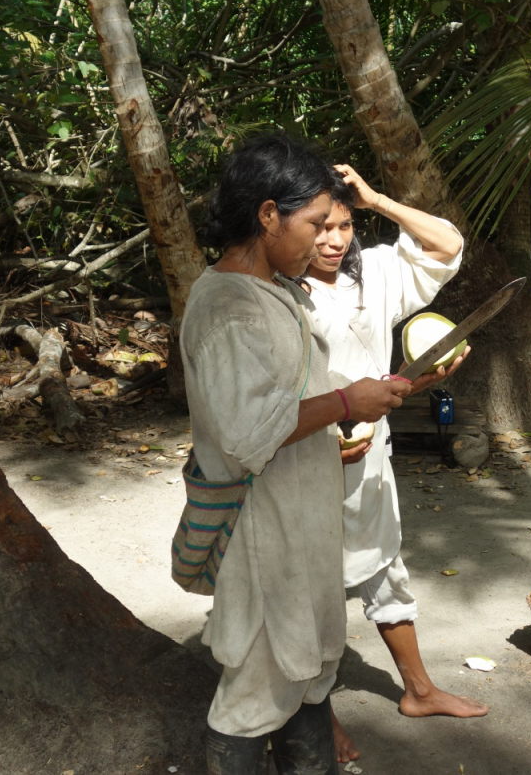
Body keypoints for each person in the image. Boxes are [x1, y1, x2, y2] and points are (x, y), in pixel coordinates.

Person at [181, 135, 411, 774]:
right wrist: (346, 405)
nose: (322, 241)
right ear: (266, 215)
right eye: (312, 224)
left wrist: (354, 402)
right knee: (256, 686)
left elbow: (287, 401)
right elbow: (249, 433)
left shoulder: (276, 290)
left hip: (300, 521)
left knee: (307, 669)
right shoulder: (229, 306)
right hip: (264, 533)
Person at [303, 163, 489, 763]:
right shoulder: (272, 294)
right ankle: (315, 717)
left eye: (344, 225)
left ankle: (419, 689)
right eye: (320, 227)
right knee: (311, 592)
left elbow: (446, 244)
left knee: (384, 566)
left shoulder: (373, 273)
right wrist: (322, 430)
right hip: (300, 461)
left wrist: (379, 199)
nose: (334, 240)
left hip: (369, 454)